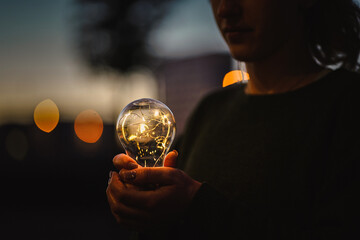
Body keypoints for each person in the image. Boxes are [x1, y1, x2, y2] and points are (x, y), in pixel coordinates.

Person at [107, 0, 360, 239]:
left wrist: (197, 207)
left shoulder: (347, 107)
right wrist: (146, 213)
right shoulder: (210, 111)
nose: (226, 9)